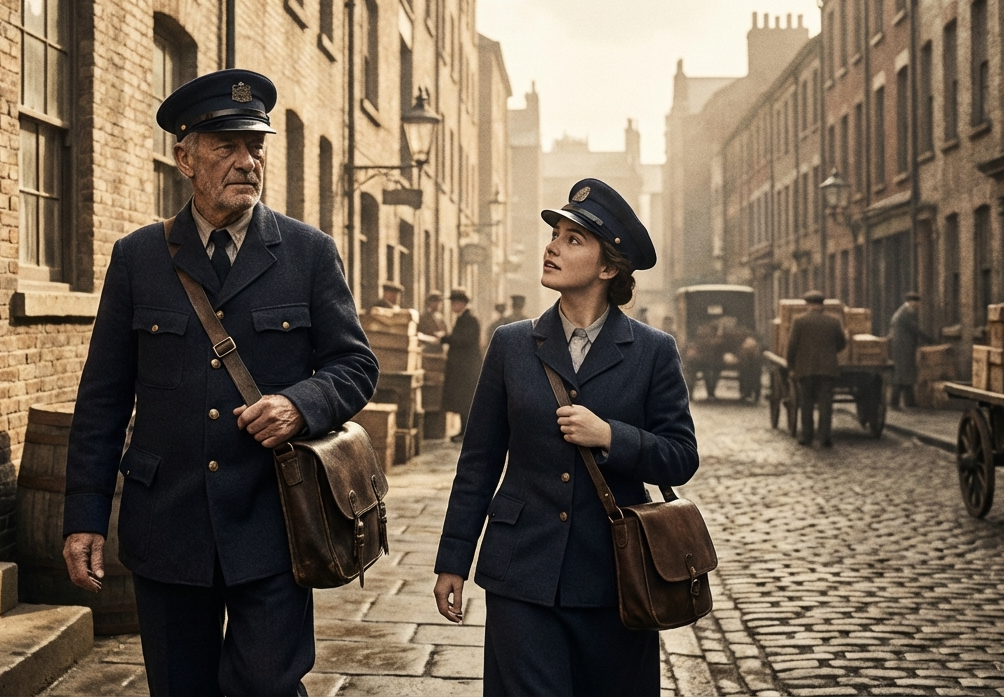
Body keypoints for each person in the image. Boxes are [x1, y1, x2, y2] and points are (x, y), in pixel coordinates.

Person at [61, 69, 379, 697]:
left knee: (268, 686)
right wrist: (84, 517)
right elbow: (102, 399)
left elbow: (355, 366)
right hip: (167, 523)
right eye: (225, 146)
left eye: (254, 146)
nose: (246, 162)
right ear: (184, 157)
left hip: (273, 523)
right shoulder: (138, 257)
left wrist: (299, 404)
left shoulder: (308, 253)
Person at [432, 177, 698, 696]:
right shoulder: (511, 345)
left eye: (573, 239)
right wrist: (453, 561)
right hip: (520, 574)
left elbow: (681, 456)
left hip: (615, 581)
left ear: (608, 267)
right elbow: (479, 462)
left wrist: (611, 436)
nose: (552, 245)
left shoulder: (652, 351)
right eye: (555, 233)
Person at [786, 290, 848, 446]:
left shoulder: (799, 321)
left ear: (808, 305)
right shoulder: (833, 321)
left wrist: (791, 366)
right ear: (822, 305)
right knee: (825, 404)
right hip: (827, 369)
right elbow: (841, 343)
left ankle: (807, 436)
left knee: (806, 403)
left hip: (805, 369)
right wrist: (830, 353)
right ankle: (824, 437)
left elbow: (792, 345)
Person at [441, 288, 482, 442]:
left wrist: (445, 338)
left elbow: (463, 340)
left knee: (466, 400)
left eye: (453, 303)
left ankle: (466, 432)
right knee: (462, 400)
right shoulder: (464, 318)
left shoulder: (469, 319)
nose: (452, 306)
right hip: (463, 367)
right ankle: (463, 430)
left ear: (461, 303)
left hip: (467, 368)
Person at [888, 291, 934, 409]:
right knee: (902, 375)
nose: (918, 305)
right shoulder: (907, 313)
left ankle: (910, 402)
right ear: (912, 302)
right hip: (904, 348)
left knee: (907, 374)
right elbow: (915, 330)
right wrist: (930, 340)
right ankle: (894, 402)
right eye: (917, 303)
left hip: (902, 348)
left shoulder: (901, 311)